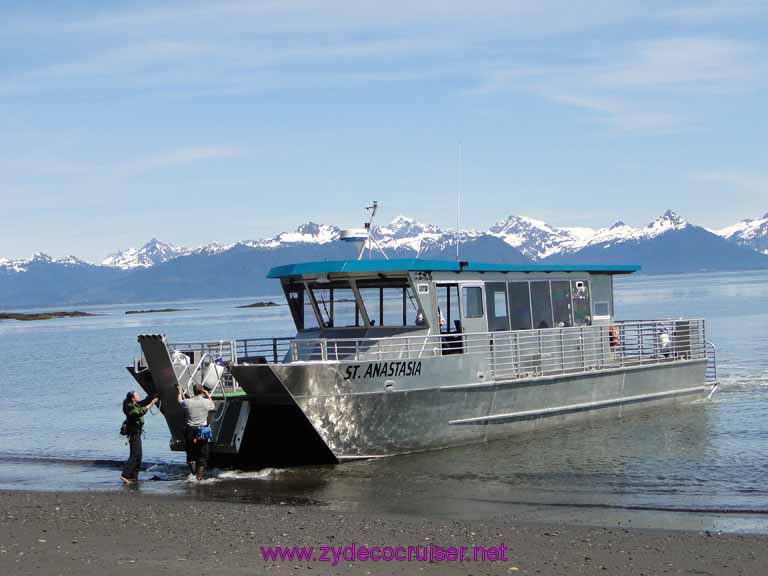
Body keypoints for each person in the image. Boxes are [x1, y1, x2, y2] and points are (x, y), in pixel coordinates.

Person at [178, 383, 216, 480]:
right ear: (202, 391)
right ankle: (199, 476)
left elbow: (179, 401)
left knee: (191, 453)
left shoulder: (188, 402)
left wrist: (179, 390)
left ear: (194, 391)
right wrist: (207, 394)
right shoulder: (206, 402)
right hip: (202, 430)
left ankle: (193, 474)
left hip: (190, 430)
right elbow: (212, 406)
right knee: (203, 453)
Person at [121, 391, 158, 483]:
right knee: (134, 454)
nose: (138, 396)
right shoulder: (129, 407)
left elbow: (142, 403)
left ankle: (133, 476)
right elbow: (140, 412)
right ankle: (125, 475)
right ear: (133, 398)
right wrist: (152, 403)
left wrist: (151, 396)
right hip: (133, 432)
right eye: (137, 395)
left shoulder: (133, 403)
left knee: (139, 455)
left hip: (137, 432)